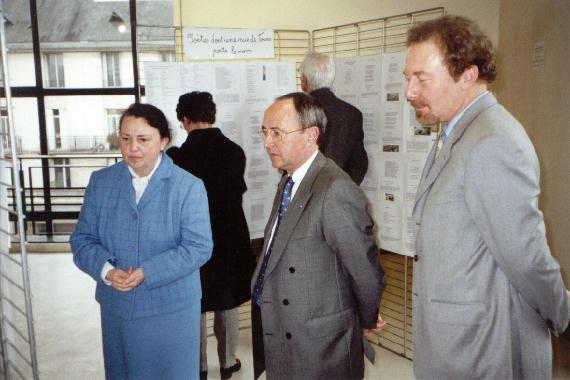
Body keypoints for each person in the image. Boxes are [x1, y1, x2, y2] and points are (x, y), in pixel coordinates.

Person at [404, 15, 570, 380]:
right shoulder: (454, 131)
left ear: (468, 75)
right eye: (408, 78)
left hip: (480, 348)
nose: (409, 92)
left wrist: (562, 316)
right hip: (455, 340)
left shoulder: (493, 142)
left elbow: (527, 257)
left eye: (422, 79)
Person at [70, 103, 213, 380]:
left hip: (171, 309)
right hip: (118, 308)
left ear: (164, 142)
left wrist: (147, 271)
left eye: (143, 139)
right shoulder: (101, 182)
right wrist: (106, 271)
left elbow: (198, 247)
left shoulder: (188, 186)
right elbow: (82, 240)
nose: (132, 147)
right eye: (125, 139)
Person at [251, 92, 385, 379]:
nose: (267, 142)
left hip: (320, 345)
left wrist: (366, 316)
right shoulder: (289, 180)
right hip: (286, 331)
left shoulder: (335, 188)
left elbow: (365, 269)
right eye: (264, 132)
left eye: (277, 133)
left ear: (311, 135)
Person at [167, 91, 254, 380]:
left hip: (191, 238)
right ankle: (228, 362)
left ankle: (199, 367)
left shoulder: (176, 157)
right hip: (230, 236)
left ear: (185, 119)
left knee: (195, 302)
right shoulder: (234, 151)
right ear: (212, 116)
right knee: (226, 300)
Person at [300, 51, 368, 185]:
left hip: (305, 196)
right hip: (340, 195)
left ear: (304, 80)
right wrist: (342, 188)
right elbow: (359, 163)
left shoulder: (298, 112)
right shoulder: (353, 114)